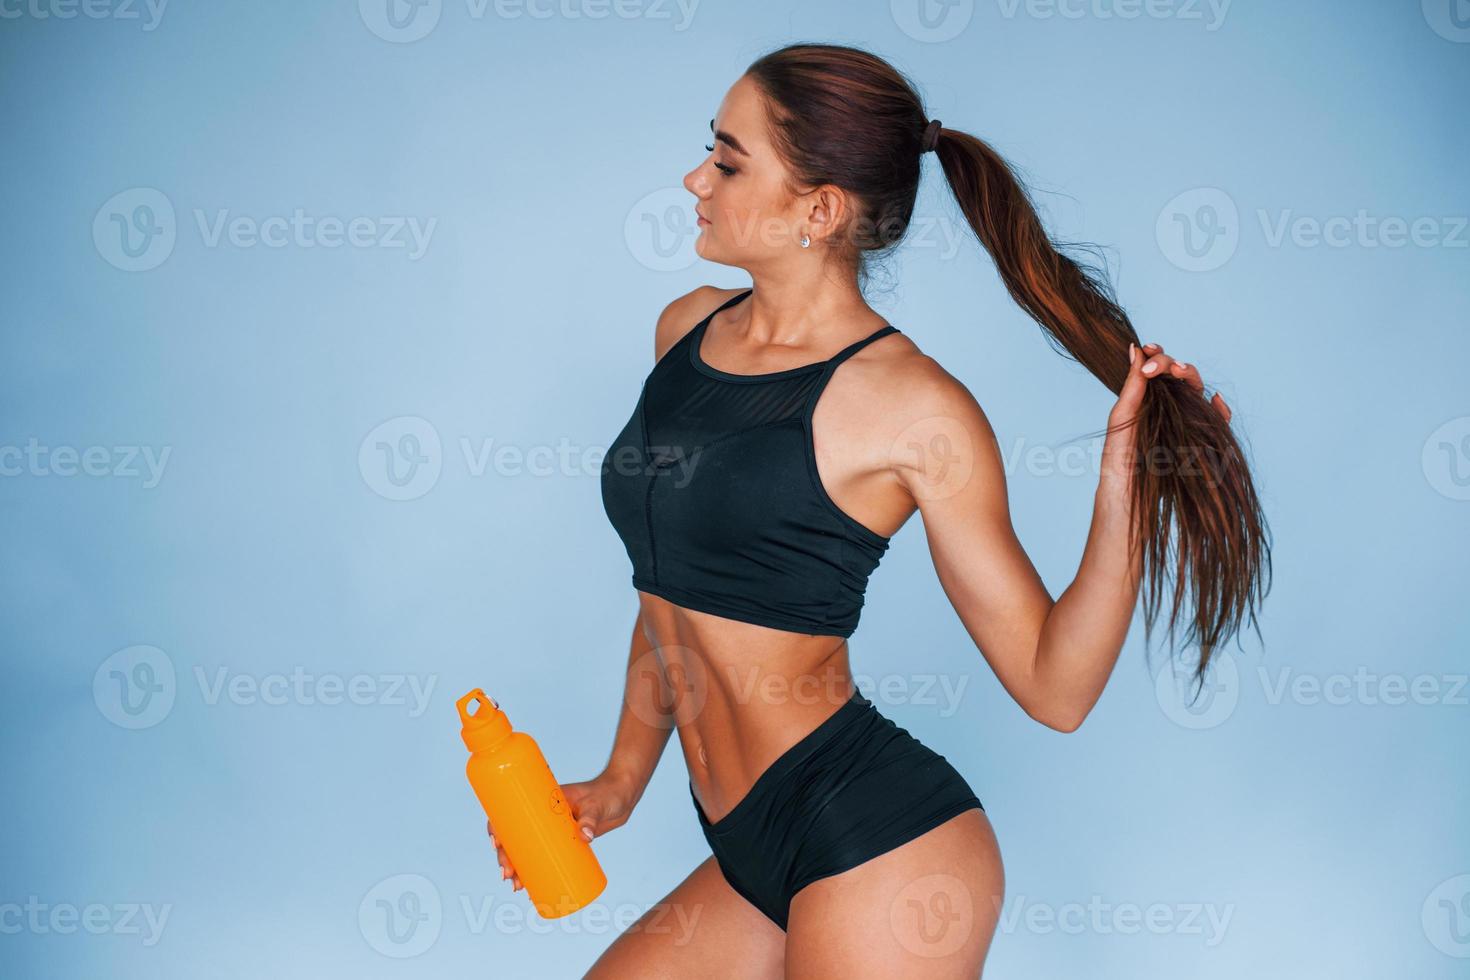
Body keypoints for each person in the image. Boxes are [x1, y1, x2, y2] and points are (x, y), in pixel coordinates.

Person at [489, 42, 1269, 979]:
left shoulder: (915, 410)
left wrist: (1128, 489)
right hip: (749, 849)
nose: (695, 177)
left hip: (878, 844)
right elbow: (672, 591)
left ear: (818, 209)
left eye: (729, 161)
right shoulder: (683, 330)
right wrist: (621, 780)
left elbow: (1053, 686)